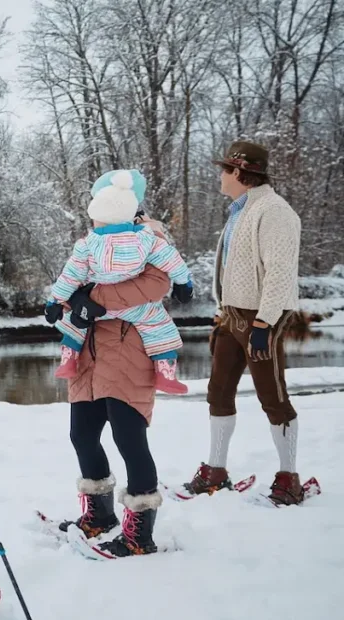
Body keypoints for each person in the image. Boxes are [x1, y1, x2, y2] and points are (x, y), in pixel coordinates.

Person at [181, 141, 305, 505]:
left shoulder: (275, 211)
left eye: (224, 169)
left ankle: (289, 478)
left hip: (260, 318)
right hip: (232, 316)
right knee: (218, 392)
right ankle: (215, 471)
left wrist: (265, 324)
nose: (219, 176)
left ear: (239, 172)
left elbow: (280, 272)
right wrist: (223, 311)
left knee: (273, 397)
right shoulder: (241, 210)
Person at [53, 229, 186, 557]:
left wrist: (93, 298)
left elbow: (157, 284)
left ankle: (140, 536)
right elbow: (74, 280)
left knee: (129, 438)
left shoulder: (149, 237)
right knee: (81, 435)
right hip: (90, 345)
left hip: (129, 345)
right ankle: (100, 515)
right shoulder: (93, 239)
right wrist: (72, 299)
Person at [46, 169, 194, 395]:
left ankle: (68, 358)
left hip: (96, 310)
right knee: (160, 328)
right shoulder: (147, 239)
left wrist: (55, 300)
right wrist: (184, 283)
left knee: (73, 324)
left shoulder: (87, 244)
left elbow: (70, 275)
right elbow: (172, 260)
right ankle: (165, 373)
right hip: (138, 309)